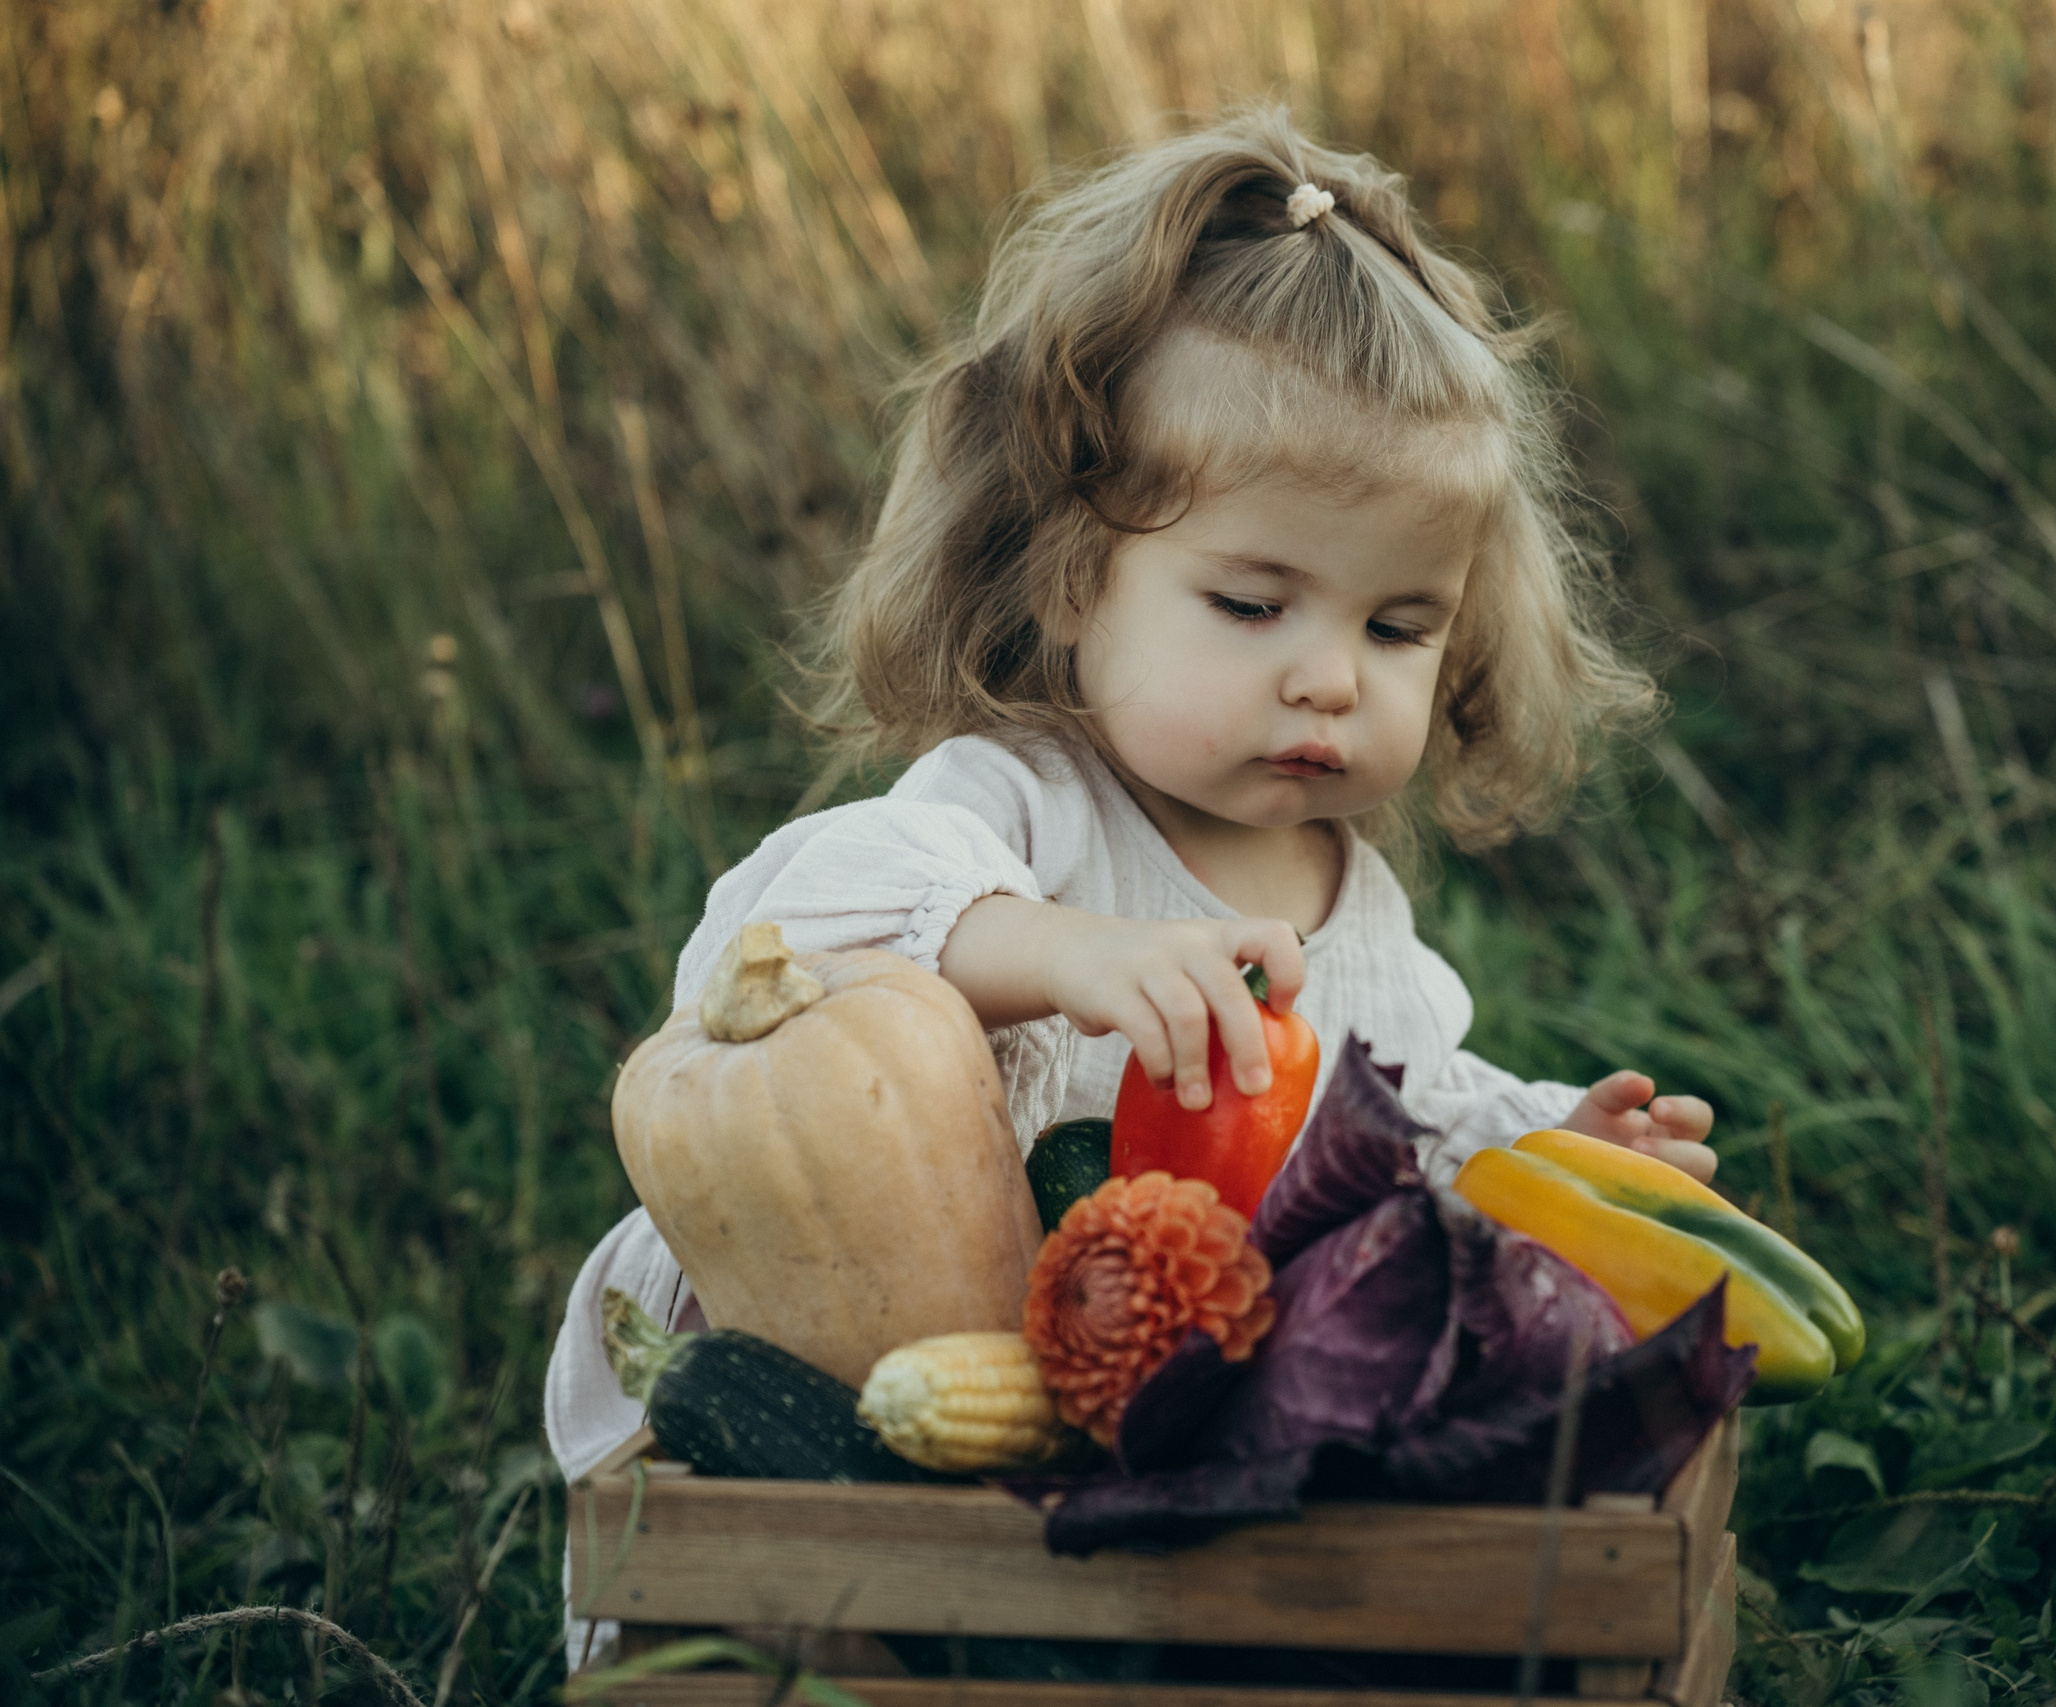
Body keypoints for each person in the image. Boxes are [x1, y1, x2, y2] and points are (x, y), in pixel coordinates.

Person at [545, 110, 1720, 1645]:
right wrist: (1053, 948)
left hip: (1121, 1439)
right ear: (1067, 575)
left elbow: (1398, 1118)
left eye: (1396, 628)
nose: (1328, 681)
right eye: (1251, 602)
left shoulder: (1356, 907)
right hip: (842, 1378)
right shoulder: (1020, 807)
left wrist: (1546, 1145)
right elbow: (767, 930)